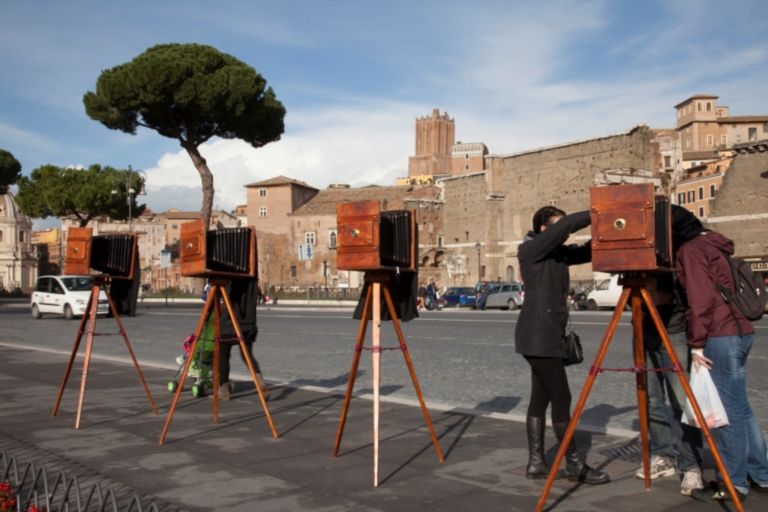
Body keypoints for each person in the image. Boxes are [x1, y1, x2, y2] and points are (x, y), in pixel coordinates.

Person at [675, 216, 768, 503]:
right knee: (740, 408)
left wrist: (696, 345)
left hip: (720, 334)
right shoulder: (716, 245)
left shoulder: (691, 249)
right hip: (741, 330)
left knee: (726, 412)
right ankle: (761, 474)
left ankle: (732, 482)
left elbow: (700, 300)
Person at [515, 205, 609, 485]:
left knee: (539, 399)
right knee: (562, 399)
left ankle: (535, 464)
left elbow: (586, 252)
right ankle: (575, 464)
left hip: (546, 336)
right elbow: (564, 230)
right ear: (543, 229)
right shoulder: (530, 249)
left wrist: (608, 229)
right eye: (557, 226)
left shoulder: (555, 254)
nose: (562, 232)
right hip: (537, 336)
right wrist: (595, 211)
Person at [636, 207, 704, 495]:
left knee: (680, 400)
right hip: (643, 328)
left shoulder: (678, 244)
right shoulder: (640, 246)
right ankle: (662, 455)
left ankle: (691, 465)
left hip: (672, 329)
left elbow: (692, 224)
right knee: (651, 400)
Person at [213, 278, 269, 401]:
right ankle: (258, 379)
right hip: (248, 322)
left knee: (223, 354)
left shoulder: (230, 276)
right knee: (247, 355)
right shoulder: (251, 278)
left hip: (229, 322)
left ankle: (224, 388)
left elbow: (225, 297)